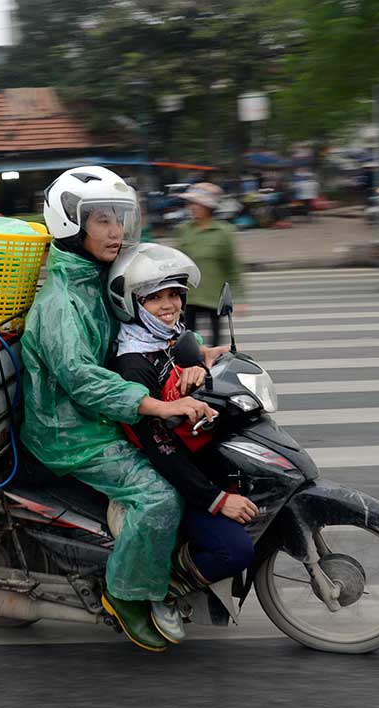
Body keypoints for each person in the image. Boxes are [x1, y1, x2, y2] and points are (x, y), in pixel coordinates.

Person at [20, 166, 214, 653]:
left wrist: (198, 355)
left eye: (121, 219)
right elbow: (82, 379)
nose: (117, 231)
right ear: (70, 225)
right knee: (158, 498)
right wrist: (156, 406)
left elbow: (144, 329)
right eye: (102, 220)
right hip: (70, 430)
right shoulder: (61, 302)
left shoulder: (101, 278)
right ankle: (124, 595)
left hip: (102, 415)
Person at [107, 244, 257, 642]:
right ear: (133, 303)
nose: (169, 305)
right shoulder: (133, 363)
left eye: (174, 294)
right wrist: (217, 500)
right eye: (155, 297)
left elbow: (182, 357)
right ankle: (165, 589)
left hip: (194, 455)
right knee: (235, 552)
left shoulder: (166, 339)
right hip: (170, 474)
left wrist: (201, 361)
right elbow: (160, 450)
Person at [175, 183, 244, 346]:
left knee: (216, 342)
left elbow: (232, 267)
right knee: (188, 339)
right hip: (189, 296)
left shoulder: (224, 232)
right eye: (191, 204)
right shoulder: (184, 229)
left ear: (208, 207)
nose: (193, 207)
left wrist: (240, 297)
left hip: (214, 297)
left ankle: (212, 369)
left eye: (197, 204)